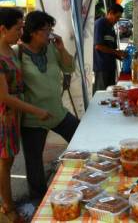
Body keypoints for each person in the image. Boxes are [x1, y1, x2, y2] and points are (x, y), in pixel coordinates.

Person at [17, 11, 80, 199]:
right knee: (34, 164)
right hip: (33, 119)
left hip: (57, 112)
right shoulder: (17, 53)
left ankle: (84, 179)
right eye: (46, 30)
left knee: (80, 139)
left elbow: (70, 67)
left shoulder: (52, 48)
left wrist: (61, 48)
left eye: (51, 29)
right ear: (34, 32)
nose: (50, 33)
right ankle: (39, 200)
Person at [0, 8, 50, 222]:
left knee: (8, 161)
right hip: (5, 117)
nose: (22, 32)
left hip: (16, 116)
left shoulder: (12, 50)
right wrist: (36, 111)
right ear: (3, 29)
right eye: (18, 28)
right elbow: (5, 97)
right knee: (5, 163)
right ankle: (8, 207)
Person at [93, 4, 127, 92]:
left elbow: (112, 50)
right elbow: (98, 46)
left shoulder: (111, 28)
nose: (118, 20)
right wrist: (117, 53)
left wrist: (122, 57)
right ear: (110, 13)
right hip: (101, 67)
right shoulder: (100, 24)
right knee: (101, 93)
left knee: (110, 93)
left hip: (111, 67)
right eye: (117, 17)